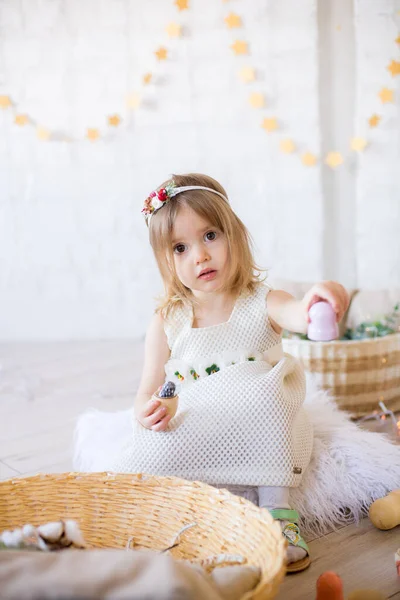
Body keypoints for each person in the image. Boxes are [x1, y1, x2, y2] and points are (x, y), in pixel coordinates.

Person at [113, 172, 349, 573]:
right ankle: (188, 512)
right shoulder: (169, 319)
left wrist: (321, 297)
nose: (200, 256)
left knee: (267, 393)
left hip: (255, 419)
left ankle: (277, 513)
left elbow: (299, 315)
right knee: (148, 451)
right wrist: (148, 411)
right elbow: (148, 391)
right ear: (165, 261)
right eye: (180, 248)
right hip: (201, 419)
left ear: (234, 235)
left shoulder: (262, 301)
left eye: (210, 236)